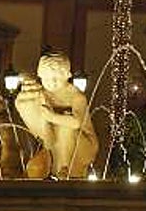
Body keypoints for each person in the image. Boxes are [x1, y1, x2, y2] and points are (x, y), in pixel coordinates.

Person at [14, 51, 98, 179]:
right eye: (47, 79)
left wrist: (51, 116)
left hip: (82, 145)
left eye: (57, 78)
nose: (52, 82)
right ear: (41, 77)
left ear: (67, 76)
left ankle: (65, 170)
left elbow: (76, 123)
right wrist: (27, 104)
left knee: (66, 127)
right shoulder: (42, 94)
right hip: (55, 142)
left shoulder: (76, 96)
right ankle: (53, 170)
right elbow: (42, 129)